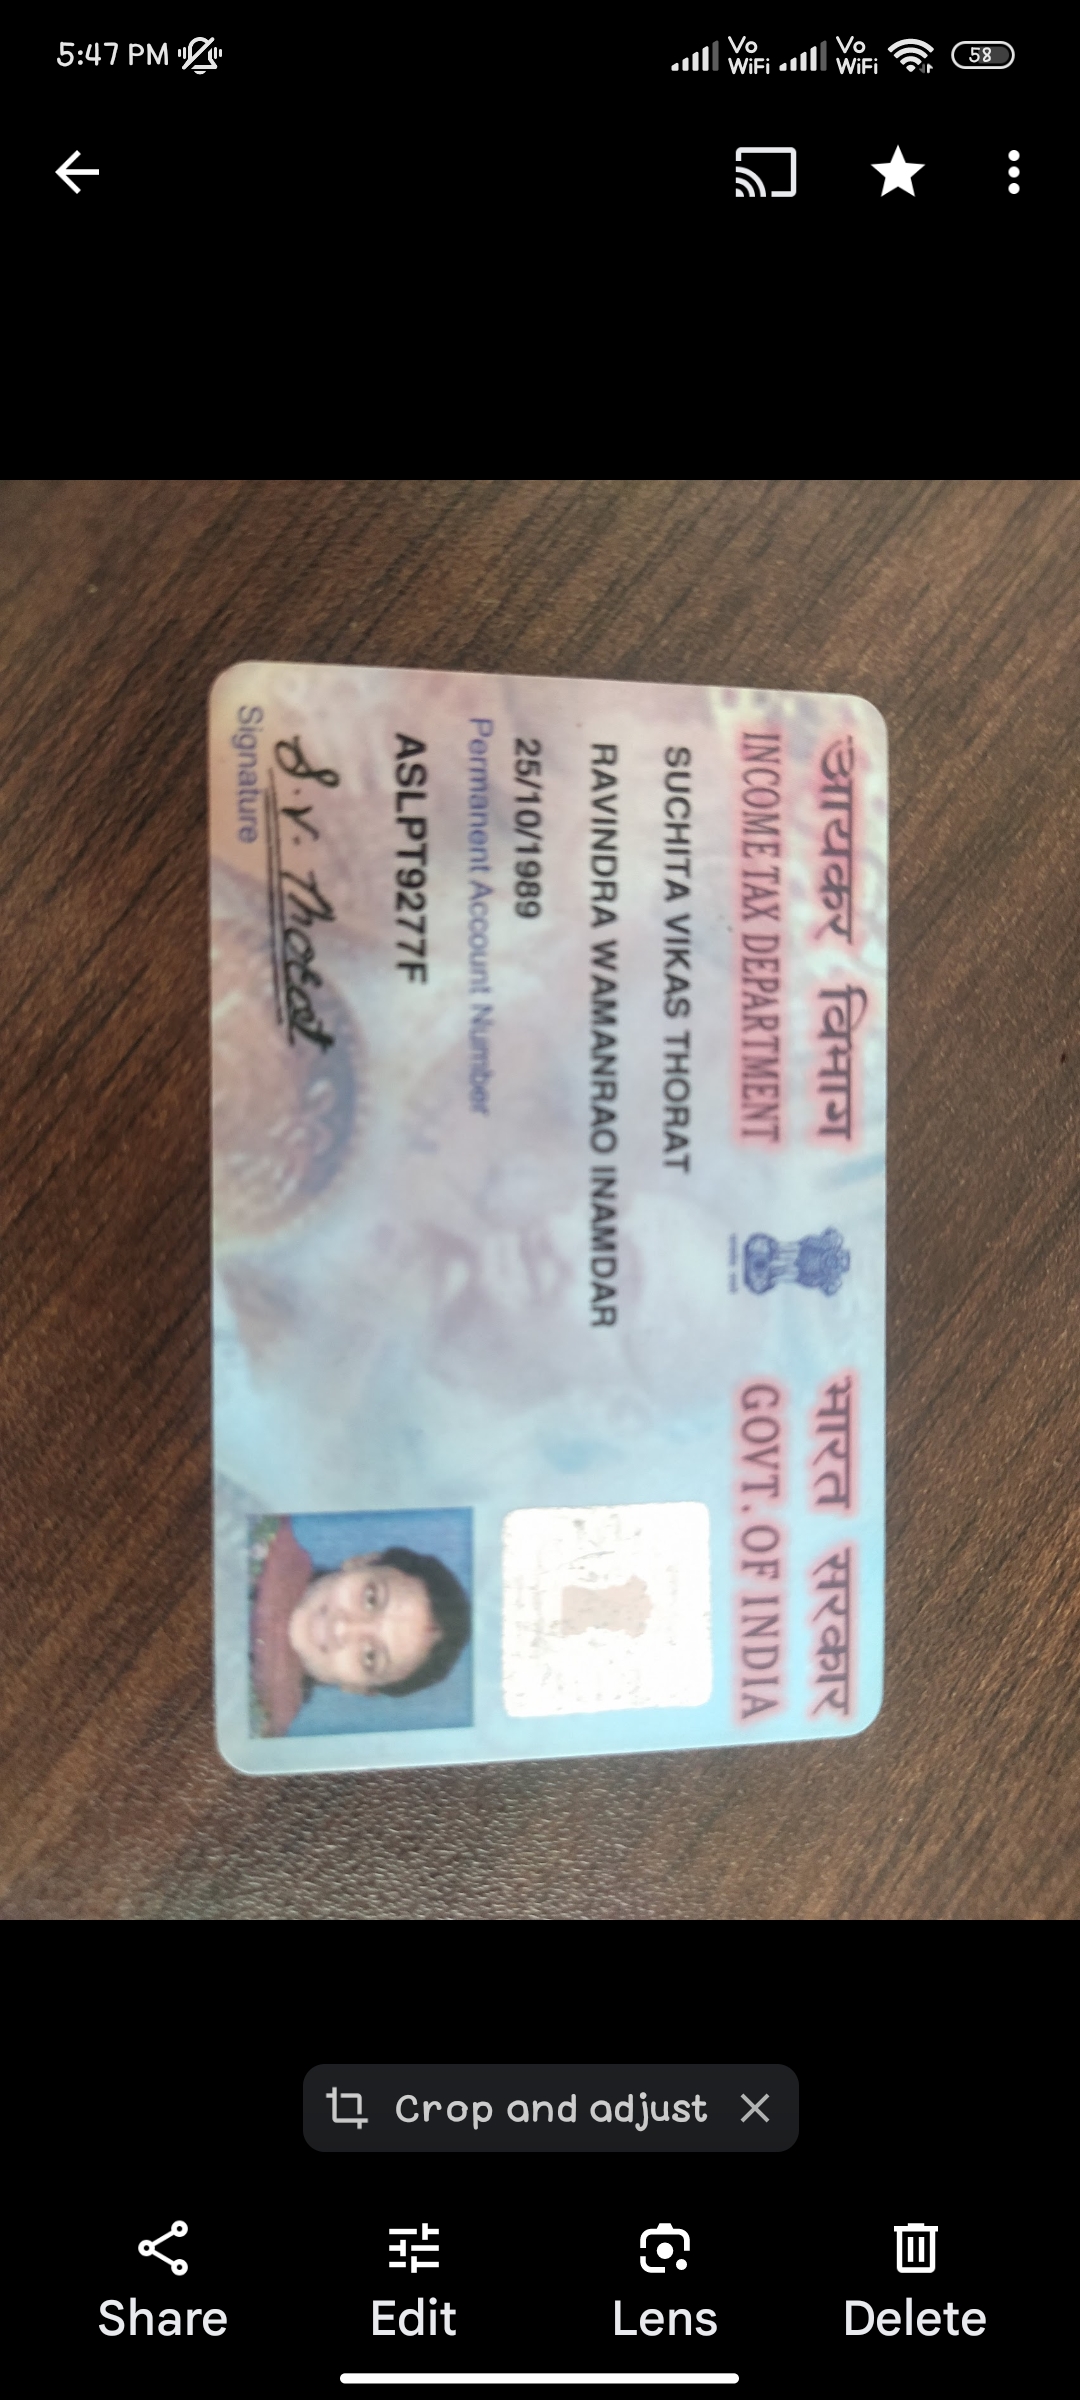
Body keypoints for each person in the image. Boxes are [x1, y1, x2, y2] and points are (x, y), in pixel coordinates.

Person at [251, 1521, 471, 1735]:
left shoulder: (254, 1734)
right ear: (361, 1562)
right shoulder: (253, 1524)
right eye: (371, 1598)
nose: (344, 1627)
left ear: (358, 1688)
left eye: (370, 1656)